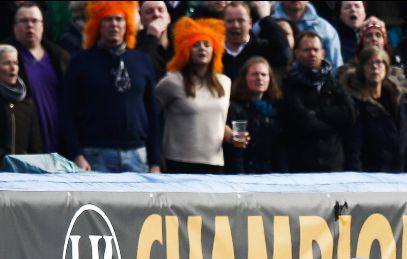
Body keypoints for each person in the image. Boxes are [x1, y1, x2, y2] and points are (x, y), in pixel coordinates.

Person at [61, 1, 162, 173]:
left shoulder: (142, 61)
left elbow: (152, 113)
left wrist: (155, 161)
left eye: (119, 19)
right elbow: (67, 111)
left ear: (127, 24)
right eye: (107, 19)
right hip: (94, 154)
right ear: (97, 24)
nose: (114, 24)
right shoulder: (80, 62)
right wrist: (76, 154)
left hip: (137, 155)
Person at [156, 17, 238, 174]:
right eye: (196, 45)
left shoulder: (225, 82)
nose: (202, 48)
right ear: (186, 50)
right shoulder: (172, 81)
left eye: (207, 44)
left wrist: (231, 136)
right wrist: (156, 155)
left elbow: (216, 121)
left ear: (214, 50)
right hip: (178, 162)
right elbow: (150, 115)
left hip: (214, 162)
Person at [280, 31, 355, 172]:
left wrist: (318, 113)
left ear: (323, 53)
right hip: (302, 166)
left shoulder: (332, 83)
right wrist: (336, 126)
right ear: (296, 53)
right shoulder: (289, 84)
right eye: (307, 50)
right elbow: (302, 121)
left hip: (334, 164)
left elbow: (350, 113)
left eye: (316, 50)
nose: (312, 54)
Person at [340, 46, 407, 172]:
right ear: (362, 69)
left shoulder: (396, 101)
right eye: (369, 63)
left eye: (379, 62)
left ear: (386, 68)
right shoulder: (355, 104)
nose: (375, 67)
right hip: (370, 175)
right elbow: (353, 150)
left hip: (398, 174)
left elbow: (405, 147)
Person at [10, 2, 69, 154]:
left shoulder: (60, 57)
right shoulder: (6, 58)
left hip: (59, 142)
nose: (30, 25)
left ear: (42, 25)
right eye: (24, 21)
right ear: (15, 26)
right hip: (23, 146)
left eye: (34, 21)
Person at [225, 56, 284, 173]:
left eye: (264, 75)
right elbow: (237, 147)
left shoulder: (276, 109)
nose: (259, 78)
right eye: (254, 74)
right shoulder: (235, 109)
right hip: (245, 174)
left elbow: (280, 148)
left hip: (271, 174)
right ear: (244, 78)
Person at [0, 44, 42, 160]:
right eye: (6, 63)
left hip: (20, 169)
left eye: (15, 63)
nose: (13, 68)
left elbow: (35, 147)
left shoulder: (27, 104)